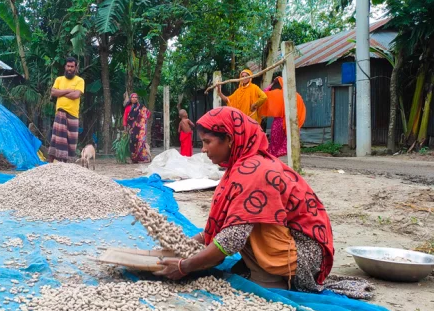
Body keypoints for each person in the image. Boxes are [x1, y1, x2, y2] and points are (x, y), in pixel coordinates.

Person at [154, 107, 372, 299]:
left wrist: (184, 267)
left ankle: (277, 276)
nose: (203, 149)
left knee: (247, 221)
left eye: (207, 142)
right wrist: (186, 244)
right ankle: (264, 270)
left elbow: (231, 238)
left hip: (305, 254)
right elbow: (224, 224)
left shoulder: (254, 171)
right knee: (242, 219)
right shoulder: (242, 165)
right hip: (294, 242)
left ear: (229, 139)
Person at [258, 76, 307, 157]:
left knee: (275, 142)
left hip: (280, 122)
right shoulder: (295, 95)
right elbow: (302, 110)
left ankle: (273, 156)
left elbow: (264, 94)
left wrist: (272, 84)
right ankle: (279, 155)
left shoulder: (279, 94)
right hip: (291, 122)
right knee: (286, 141)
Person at [48, 57, 84, 163]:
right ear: (65, 67)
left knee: (71, 140)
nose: (70, 69)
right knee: (57, 139)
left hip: (73, 114)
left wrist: (61, 92)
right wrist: (68, 90)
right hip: (60, 113)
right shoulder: (59, 79)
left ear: (75, 68)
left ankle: (67, 164)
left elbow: (76, 95)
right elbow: (53, 93)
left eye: (72, 67)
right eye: (68, 66)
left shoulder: (79, 80)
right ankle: (51, 163)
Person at [122, 93, 152, 163]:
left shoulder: (141, 107)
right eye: (133, 97)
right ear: (130, 98)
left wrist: (142, 119)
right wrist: (125, 128)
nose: (135, 98)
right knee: (133, 141)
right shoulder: (128, 108)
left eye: (136, 97)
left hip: (140, 128)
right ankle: (134, 158)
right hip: (132, 128)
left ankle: (144, 157)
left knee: (141, 141)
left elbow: (147, 113)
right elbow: (125, 118)